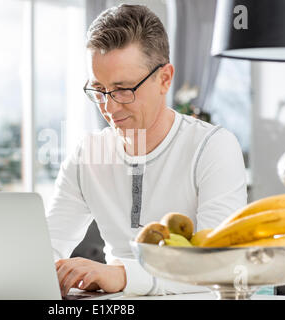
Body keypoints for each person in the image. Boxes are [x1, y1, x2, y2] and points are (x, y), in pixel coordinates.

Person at [46, 4, 247, 297]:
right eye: (99, 90)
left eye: (124, 89)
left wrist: (123, 276)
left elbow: (218, 265)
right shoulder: (87, 154)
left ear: (164, 79)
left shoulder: (213, 147)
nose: (110, 108)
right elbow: (48, 245)